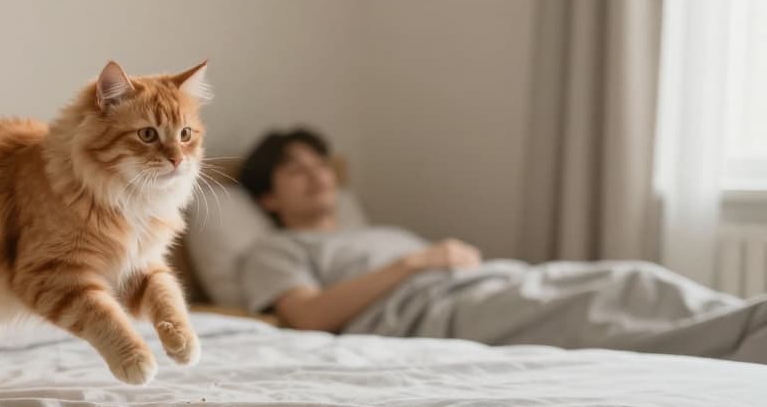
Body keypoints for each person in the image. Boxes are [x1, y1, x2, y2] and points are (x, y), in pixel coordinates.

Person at [236, 128, 767, 363]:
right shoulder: (276, 250)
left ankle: (750, 327)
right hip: (439, 315)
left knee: (634, 282)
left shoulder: (374, 232)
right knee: (615, 298)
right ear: (268, 196)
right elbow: (306, 316)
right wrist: (416, 261)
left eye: (318, 163)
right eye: (293, 169)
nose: (315, 175)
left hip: (489, 283)